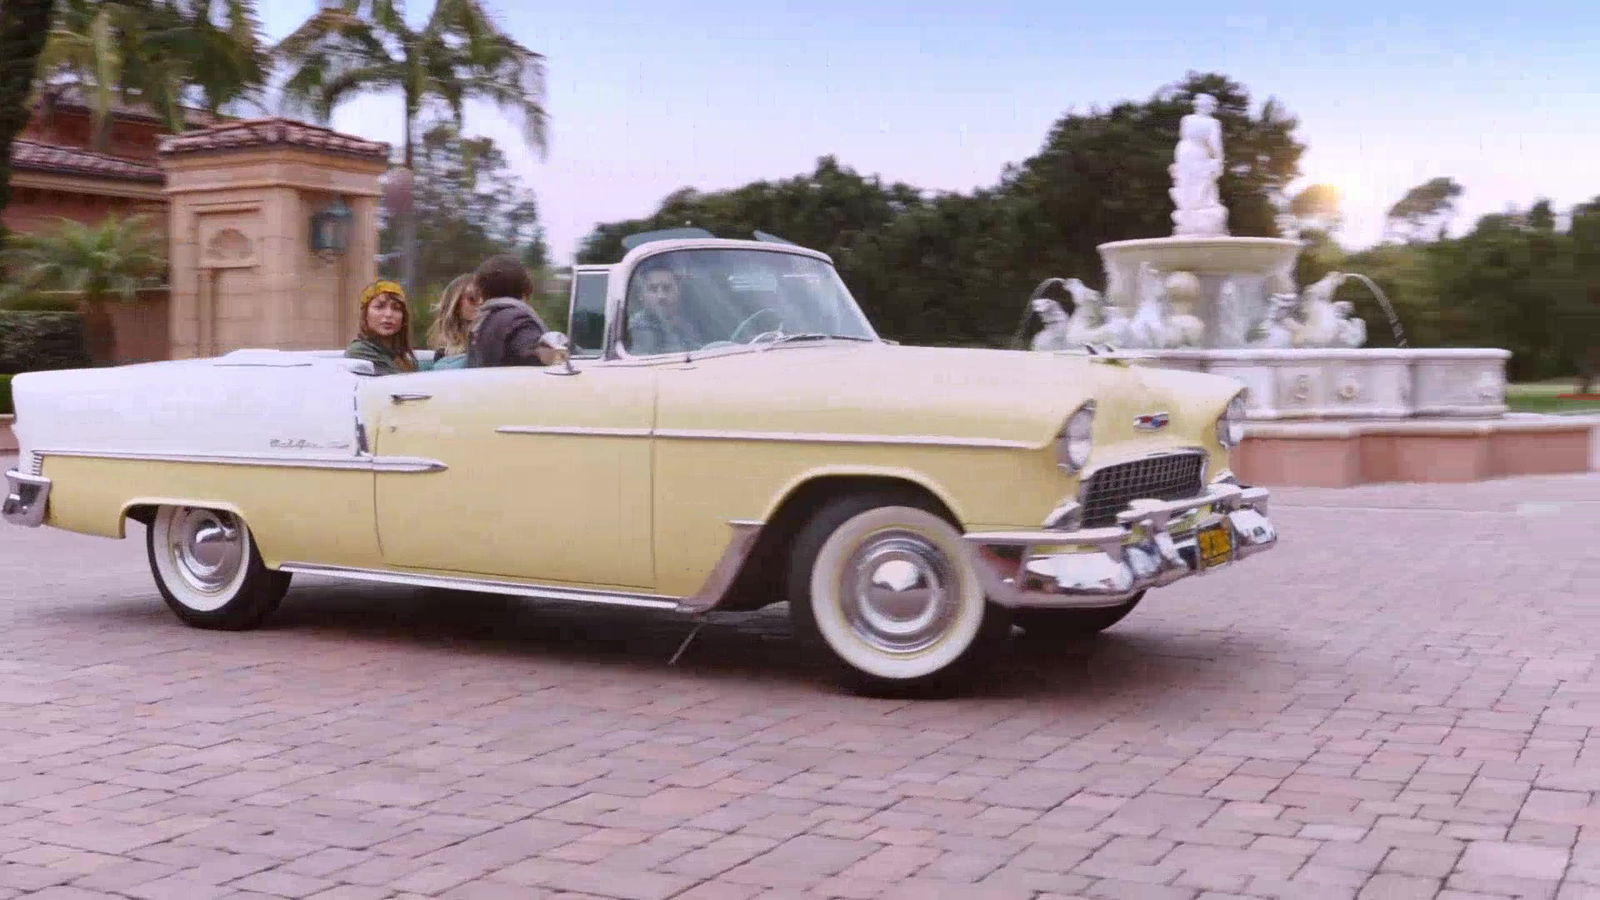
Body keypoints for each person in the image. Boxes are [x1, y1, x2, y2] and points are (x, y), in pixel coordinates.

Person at [466, 255, 566, 368]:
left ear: (481, 289)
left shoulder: (484, 320)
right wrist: (544, 352)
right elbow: (531, 353)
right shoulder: (518, 321)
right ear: (526, 287)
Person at [625, 258, 704, 355]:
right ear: (641, 295)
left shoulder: (687, 324)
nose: (661, 296)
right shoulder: (635, 328)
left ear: (678, 292)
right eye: (653, 289)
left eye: (667, 288)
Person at [345, 279, 418, 375]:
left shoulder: (406, 356)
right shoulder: (360, 352)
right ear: (365, 314)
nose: (388, 314)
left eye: (396, 308)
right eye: (379, 307)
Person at [424, 273, 481, 370]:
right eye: (473, 298)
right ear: (456, 306)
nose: (481, 302)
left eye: (486, 297)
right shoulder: (444, 356)